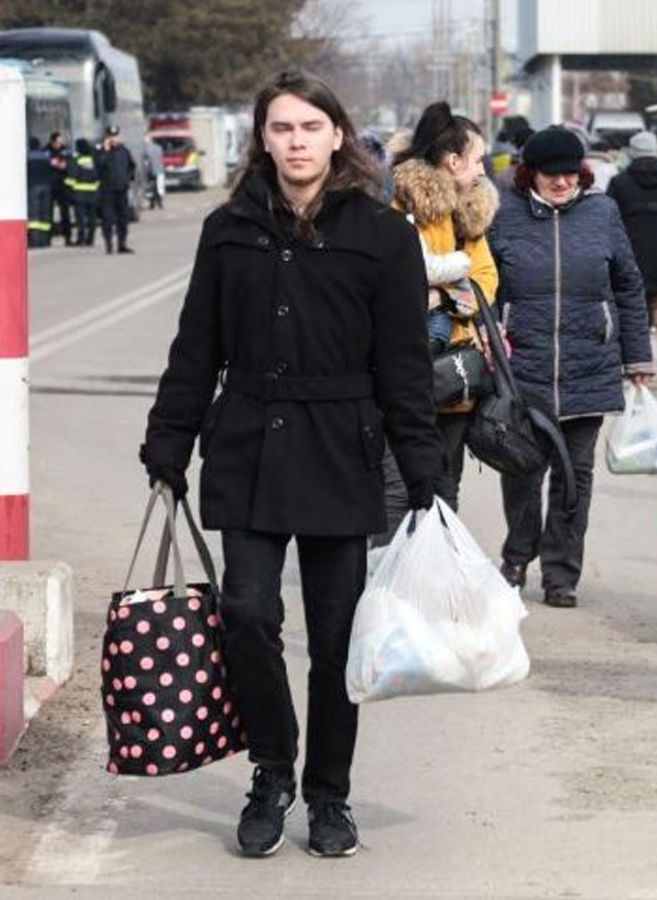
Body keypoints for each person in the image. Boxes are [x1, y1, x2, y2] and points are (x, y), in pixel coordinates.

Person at [139, 70, 443, 858]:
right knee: (245, 613)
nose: (297, 141)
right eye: (282, 128)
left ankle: (329, 794)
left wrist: (423, 468)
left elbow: (405, 366)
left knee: (337, 637)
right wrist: (170, 439)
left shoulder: (384, 236)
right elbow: (196, 346)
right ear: (263, 139)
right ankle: (272, 770)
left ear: (337, 135)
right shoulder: (228, 229)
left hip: (341, 447)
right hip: (247, 444)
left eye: (311, 127)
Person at [488, 125, 654, 608]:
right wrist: (492, 333)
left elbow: (627, 284)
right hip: (523, 364)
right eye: (550, 174)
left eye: (569, 173)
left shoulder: (603, 212)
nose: (561, 182)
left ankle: (561, 574)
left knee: (575, 474)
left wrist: (636, 353)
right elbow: (487, 284)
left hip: (589, 362)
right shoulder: (504, 213)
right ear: (531, 174)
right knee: (522, 469)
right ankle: (518, 555)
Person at [376, 101, 497, 539]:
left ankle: (438, 569)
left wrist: (443, 297)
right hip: (404, 376)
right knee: (397, 487)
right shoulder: (399, 206)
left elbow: (485, 279)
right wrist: (447, 289)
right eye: (477, 159)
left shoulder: (470, 212)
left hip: (456, 378)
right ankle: (388, 572)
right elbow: (392, 281)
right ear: (452, 160)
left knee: (446, 485)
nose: (482, 169)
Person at [607, 130, 657, 379]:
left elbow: (609, 218)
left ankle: (637, 357)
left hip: (630, 252)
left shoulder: (620, 182)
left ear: (632, 152)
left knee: (632, 305)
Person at [97, 125, 137, 254]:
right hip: (107, 190)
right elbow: (99, 165)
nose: (113, 139)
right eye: (111, 136)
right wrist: (106, 151)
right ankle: (109, 244)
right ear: (106, 137)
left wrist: (128, 178)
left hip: (122, 189)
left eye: (115, 136)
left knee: (123, 218)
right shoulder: (101, 151)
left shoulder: (124, 151)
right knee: (108, 218)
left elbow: (132, 166)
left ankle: (122, 244)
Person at [68, 138, 100, 247]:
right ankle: (90, 239)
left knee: (80, 217)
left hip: (80, 192)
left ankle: (81, 239)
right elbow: (98, 174)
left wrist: (70, 188)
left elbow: (72, 175)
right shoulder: (93, 159)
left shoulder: (77, 159)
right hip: (93, 192)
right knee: (92, 217)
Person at [46, 131, 75, 243]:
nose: (60, 143)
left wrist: (62, 165)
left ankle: (68, 237)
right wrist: (55, 164)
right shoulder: (46, 151)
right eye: (58, 142)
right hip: (50, 186)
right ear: (53, 142)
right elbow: (47, 164)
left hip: (63, 186)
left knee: (65, 212)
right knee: (48, 212)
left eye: (61, 141)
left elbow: (69, 163)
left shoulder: (66, 150)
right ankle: (47, 237)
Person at [25, 137, 53, 248]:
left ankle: (35, 240)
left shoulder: (28, 157)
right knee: (45, 214)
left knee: (34, 214)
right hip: (47, 187)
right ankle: (45, 240)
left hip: (33, 187)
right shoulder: (46, 156)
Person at [143, 134, 165, 210]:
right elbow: (161, 159)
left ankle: (152, 203)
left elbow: (145, 162)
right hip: (159, 170)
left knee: (151, 188)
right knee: (159, 187)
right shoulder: (159, 148)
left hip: (151, 171)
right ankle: (159, 203)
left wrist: (145, 171)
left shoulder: (145, 149)